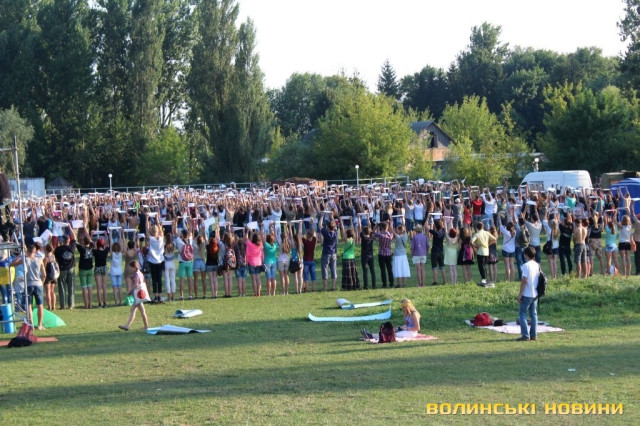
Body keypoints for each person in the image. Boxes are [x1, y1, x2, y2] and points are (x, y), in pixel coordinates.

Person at [13, 245, 46, 330]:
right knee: (40, 305)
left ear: (28, 251)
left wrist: (19, 256)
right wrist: (41, 283)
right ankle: (39, 325)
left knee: (29, 305)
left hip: (28, 284)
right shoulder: (40, 260)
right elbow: (44, 275)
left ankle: (31, 325)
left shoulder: (25, 260)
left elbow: (12, 264)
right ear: (35, 252)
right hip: (38, 284)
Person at [119, 260, 150, 331]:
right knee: (133, 310)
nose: (129, 269)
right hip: (140, 294)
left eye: (130, 267)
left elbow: (136, 284)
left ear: (134, 267)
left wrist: (130, 291)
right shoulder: (140, 273)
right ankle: (127, 325)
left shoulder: (136, 274)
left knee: (142, 311)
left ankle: (146, 326)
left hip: (137, 295)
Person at [517, 246, 539, 341]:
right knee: (533, 314)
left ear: (526, 255)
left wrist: (520, 294)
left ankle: (525, 335)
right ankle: (534, 335)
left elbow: (524, 281)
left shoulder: (526, 266)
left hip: (527, 293)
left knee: (522, 313)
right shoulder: (536, 265)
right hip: (535, 293)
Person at [54, 228, 77, 309]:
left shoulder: (58, 249)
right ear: (69, 240)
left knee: (62, 288)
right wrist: (70, 227)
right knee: (71, 287)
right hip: (71, 269)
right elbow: (74, 237)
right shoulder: (72, 247)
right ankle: (71, 305)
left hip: (62, 269)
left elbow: (55, 257)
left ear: (63, 241)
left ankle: (62, 305)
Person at [472, 221, 497, 287]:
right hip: (486, 252)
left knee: (481, 267)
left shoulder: (477, 234)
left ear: (477, 227)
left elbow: (471, 242)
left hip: (480, 252)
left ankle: (484, 280)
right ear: (483, 227)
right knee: (484, 266)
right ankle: (485, 279)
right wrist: (488, 244)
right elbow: (494, 239)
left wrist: (476, 246)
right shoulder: (487, 233)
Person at [319, 214, 338, 291]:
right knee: (333, 270)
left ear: (327, 227)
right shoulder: (336, 233)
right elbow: (335, 226)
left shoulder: (326, 233)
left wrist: (322, 216)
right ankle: (333, 287)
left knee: (325, 270)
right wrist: (332, 217)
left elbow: (320, 225)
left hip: (326, 253)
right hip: (333, 253)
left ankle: (325, 287)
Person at [76, 236, 95, 309]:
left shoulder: (82, 248)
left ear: (83, 242)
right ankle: (90, 304)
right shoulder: (91, 247)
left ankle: (86, 304)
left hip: (83, 270)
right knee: (90, 287)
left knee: (84, 288)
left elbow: (75, 241)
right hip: (90, 269)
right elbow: (91, 241)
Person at [93, 238, 110, 307]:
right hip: (104, 267)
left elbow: (93, 247)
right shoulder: (105, 251)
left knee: (98, 287)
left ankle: (100, 303)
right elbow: (108, 245)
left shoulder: (95, 251)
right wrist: (106, 236)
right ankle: (105, 303)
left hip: (97, 268)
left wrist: (95, 244)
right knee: (104, 286)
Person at [302, 222, 317, 292]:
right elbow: (314, 233)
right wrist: (312, 224)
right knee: (313, 275)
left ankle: (306, 289)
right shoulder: (314, 241)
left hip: (306, 260)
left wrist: (301, 225)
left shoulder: (305, 242)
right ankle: (314, 288)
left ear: (307, 236)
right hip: (312, 261)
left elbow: (300, 235)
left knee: (306, 275)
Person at [0, 165, 14, 241]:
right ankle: (12, 224)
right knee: (8, 216)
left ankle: (6, 237)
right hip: (9, 198)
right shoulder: (4, 176)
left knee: (3, 218)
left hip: (3, 199)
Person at [43, 244, 57, 311]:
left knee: (48, 292)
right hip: (54, 275)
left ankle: (49, 306)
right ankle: (54, 306)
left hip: (48, 276)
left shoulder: (46, 258)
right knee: (52, 291)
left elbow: (44, 267)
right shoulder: (53, 256)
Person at [110, 241, 124, 305]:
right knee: (120, 288)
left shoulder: (112, 254)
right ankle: (121, 302)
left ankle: (116, 302)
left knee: (114, 288)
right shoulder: (121, 253)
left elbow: (110, 247)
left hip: (113, 272)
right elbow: (122, 246)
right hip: (119, 271)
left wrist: (110, 239)